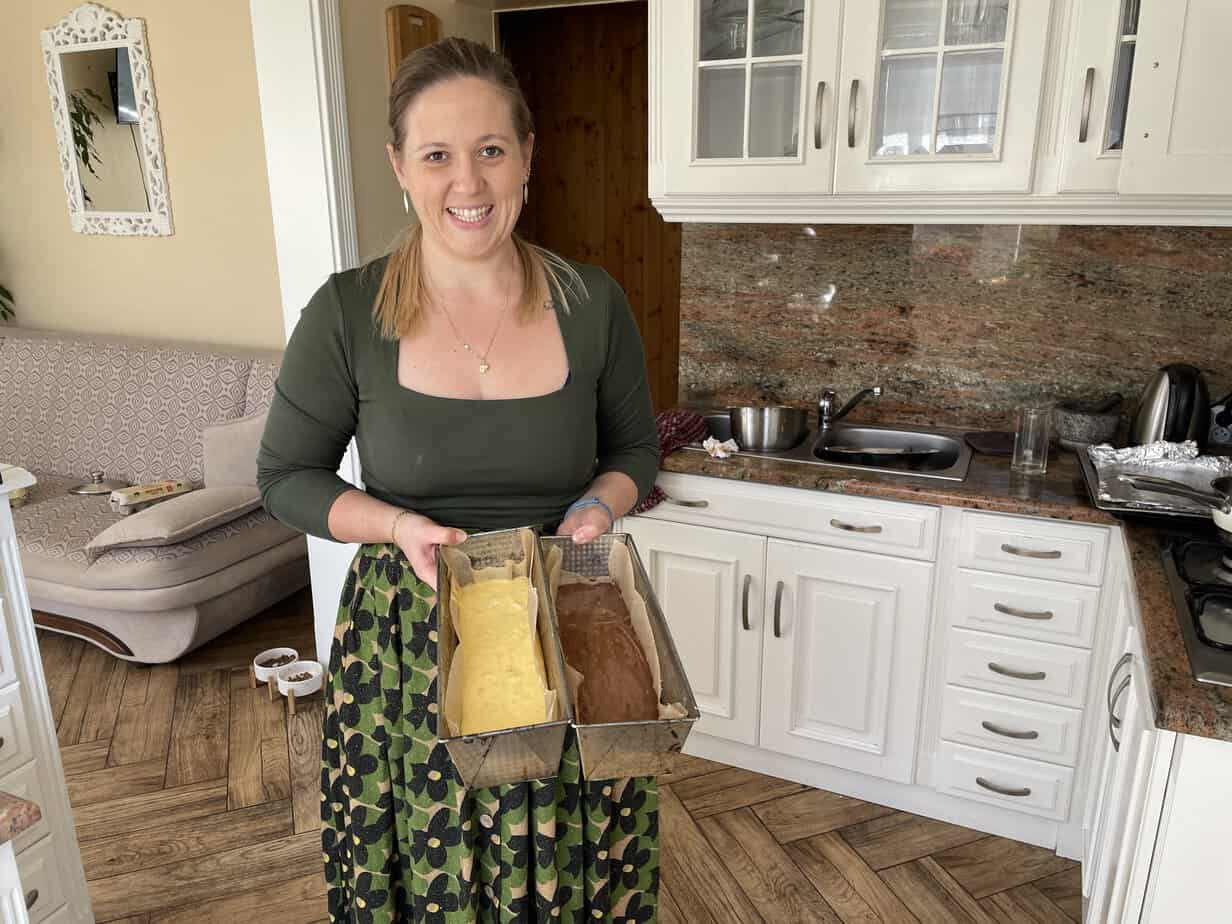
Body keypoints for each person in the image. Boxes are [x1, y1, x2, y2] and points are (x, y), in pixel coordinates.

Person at [256, 36, 661, 923]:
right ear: (401, 166)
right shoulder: (346, 313)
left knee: (566, 860)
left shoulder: (592, 303)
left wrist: (598, 507)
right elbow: (285, 476)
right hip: (405, 642)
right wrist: (398, 527)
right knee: (431, 875)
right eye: (438, 155)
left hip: (563, 624)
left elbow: (635, 453)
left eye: (490, 150)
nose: (467, 183)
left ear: (525, 156)